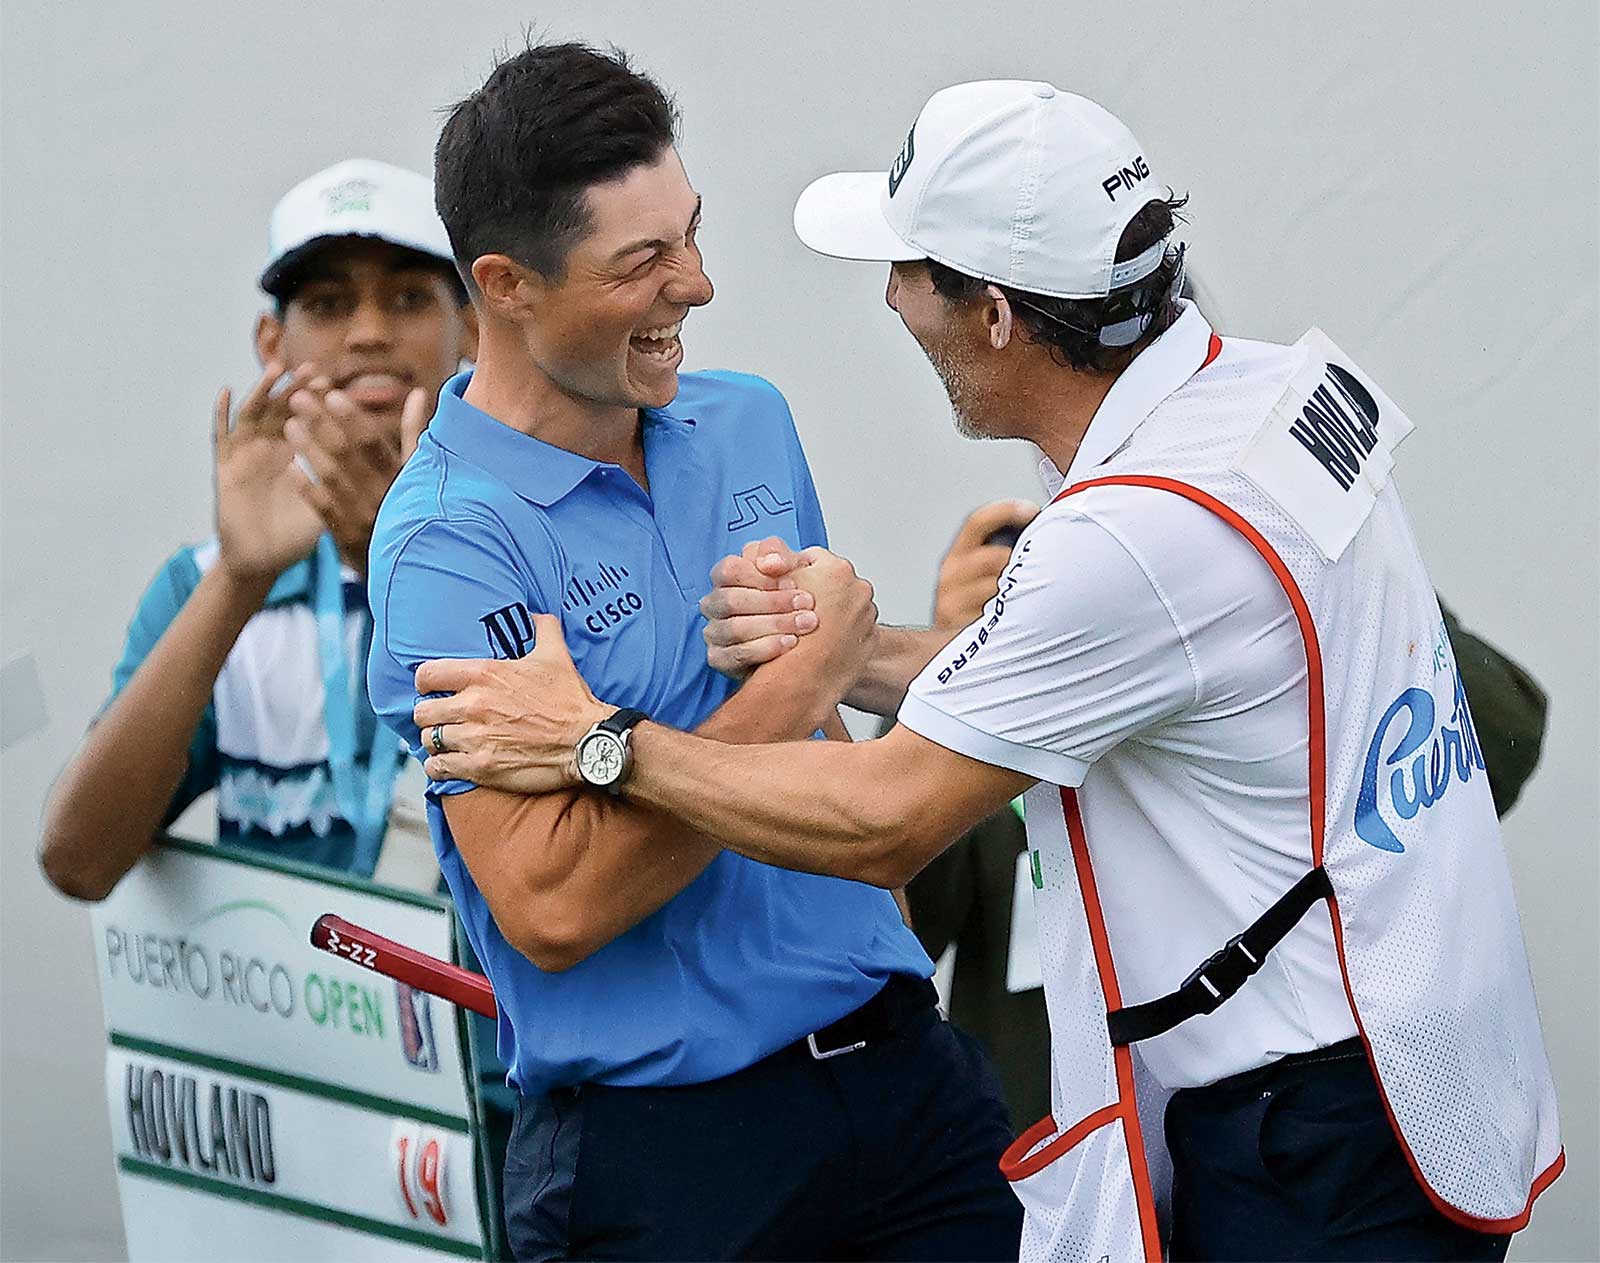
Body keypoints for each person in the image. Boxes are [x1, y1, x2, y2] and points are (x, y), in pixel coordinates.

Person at [413, 81, 1564, 1261]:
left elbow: (886, 818)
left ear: (999, 315)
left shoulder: (1123, 540)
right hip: (1391, 1060)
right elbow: (1117, 672)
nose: (889, 297)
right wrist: (856, 656)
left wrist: (600, 740)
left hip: (1303, 1136)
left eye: (908, 270)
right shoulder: (1267, 398)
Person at [365, 44, 1021, 1263]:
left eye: (692, 232)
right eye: (642, 263)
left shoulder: (746, 420)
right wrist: (801, 680)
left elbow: (826, 758)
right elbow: (552, 905)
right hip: (668, 1162)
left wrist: (831, 677)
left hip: (904, 1084)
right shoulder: (446, 547)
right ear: (505, 285)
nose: (699, 284)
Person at [40, 158, 475, 895]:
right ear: (272, 343)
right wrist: (240, 579)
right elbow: (78, 861)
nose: (370, 333)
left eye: (408, 298)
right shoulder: (207, 579)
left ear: (472, 328)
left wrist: (390, 563)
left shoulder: (536, 542)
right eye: (328, 304)